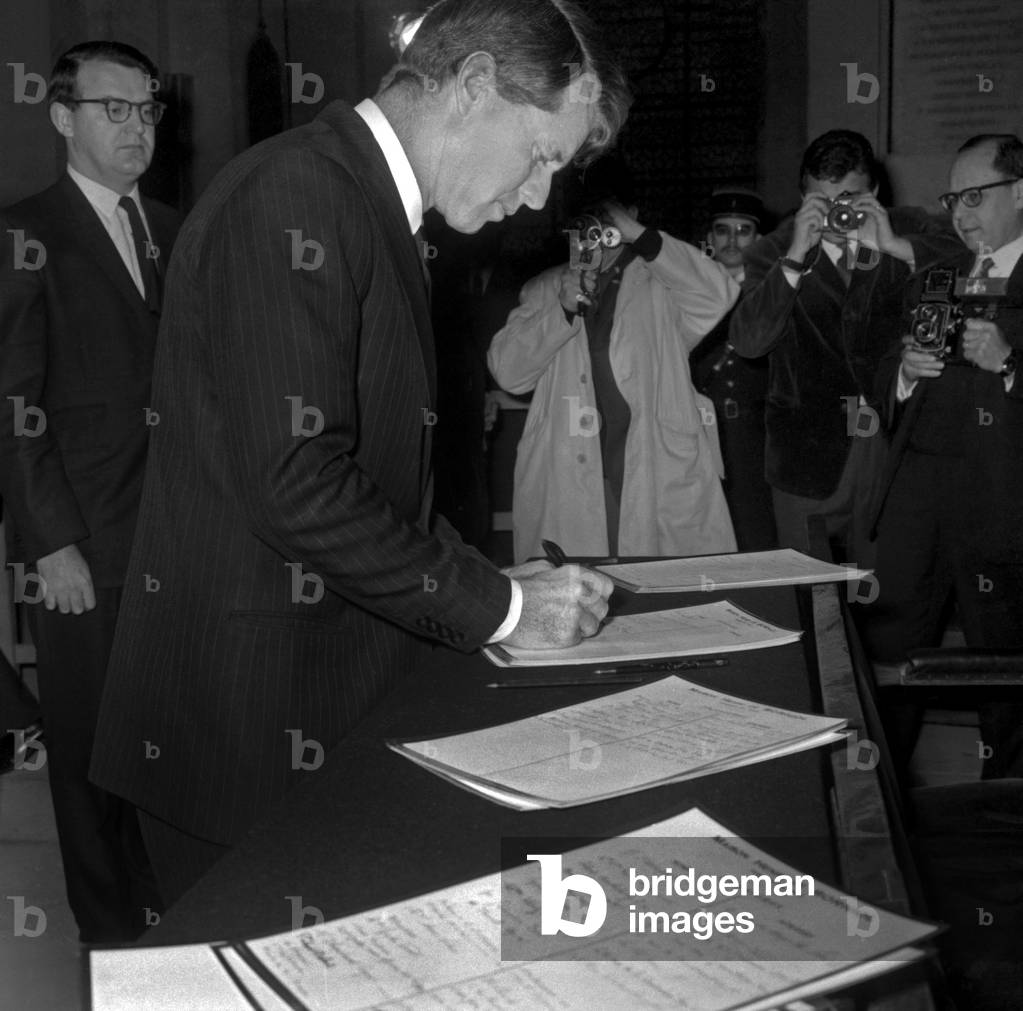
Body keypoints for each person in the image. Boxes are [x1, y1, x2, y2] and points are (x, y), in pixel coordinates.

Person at [90, 0, 626, 909]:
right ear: (473, 86)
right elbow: (298, 485)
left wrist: (494, 586)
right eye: (541, 155)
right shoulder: (299, 194)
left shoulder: (359, 200)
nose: (539, 196)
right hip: (244, 729)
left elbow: (379, 478)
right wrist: (497, 605)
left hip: (310, 698)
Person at [0, 40, 177, 942]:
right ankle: (113, 946)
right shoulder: (26, 233)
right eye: (116, 109)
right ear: (63, 115)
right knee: (90, 761)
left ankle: (176, 927)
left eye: (148, 109)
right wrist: (52, 543)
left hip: (176, 545)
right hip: (85, 552)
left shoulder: (177, 230)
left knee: (170, 752)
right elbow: (13, 404)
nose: (138, 127)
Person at [729, 130, 961, 565]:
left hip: (894, 446)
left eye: (849, 199)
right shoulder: (774, 250)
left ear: (873, 193)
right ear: (802, 199)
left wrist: (892, 245)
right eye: (822, 201)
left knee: (890, 592)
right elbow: (748, 341)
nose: (838, 212)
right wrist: (796, 257)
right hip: (807, 454)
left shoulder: (906, 227)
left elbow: (972, 253)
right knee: (808, 593)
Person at [868, 134, 1023, 778]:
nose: (960, 212)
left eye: (975, 195)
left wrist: (1009, 363)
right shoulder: (937, 275)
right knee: (890, 652)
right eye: (953, 197)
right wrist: (902, 373)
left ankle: (1007, 807)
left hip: (1003, 503)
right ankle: (876, 794)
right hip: (917, 499)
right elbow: (879, 373)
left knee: (1004, 663)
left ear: (1020, 193)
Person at [488, 172, 739, 563]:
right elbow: (509, 372)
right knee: (582, 591)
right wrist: (561, 309)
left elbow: (718, 293)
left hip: (654, 461)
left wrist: (638, 233)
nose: (596, 236)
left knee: (663, 590)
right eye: (585, 225)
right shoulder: (546, 287)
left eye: (607, 223)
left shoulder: (663, 282)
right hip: (571, 465)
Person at [690, 187, 776, 551]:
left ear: (759, 239)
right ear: (709, 238)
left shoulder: (773, 292)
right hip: (698, 432)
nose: (732, 239)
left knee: (755, 532)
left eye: (743, 230)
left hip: (756, 435)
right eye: (723, 230)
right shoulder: (687, 292)